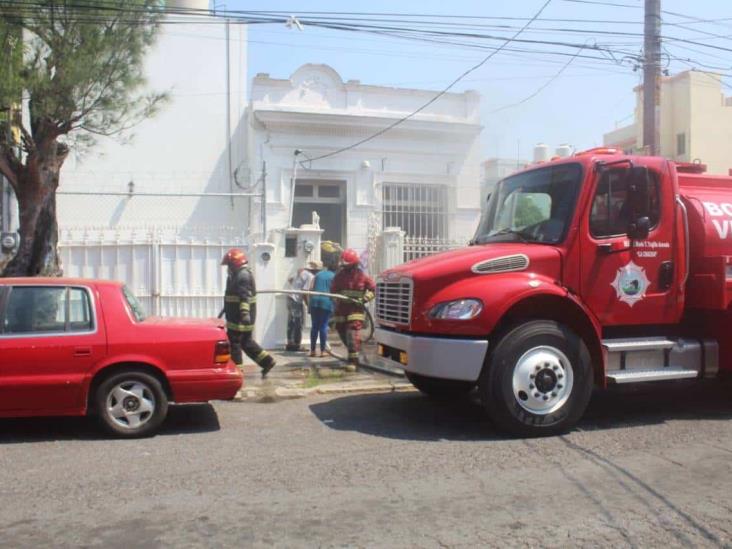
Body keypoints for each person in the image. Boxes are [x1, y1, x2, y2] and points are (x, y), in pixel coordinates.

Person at [221, 248, 275, 378]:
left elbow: (244, 296)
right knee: (246, 342)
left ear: (234, 264)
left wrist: (244, 313)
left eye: (229, 265)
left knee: (234, 343)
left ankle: (237, 372)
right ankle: (267, 361)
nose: (227, 268)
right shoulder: (237, 275)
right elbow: (234, 295)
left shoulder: (242, 276)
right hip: (237, 316)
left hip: (240, 318)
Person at [331, 248, 375, 372]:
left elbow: (373, 289)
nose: (345, 267)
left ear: (353, 264)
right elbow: (333, 291)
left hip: (356, 310)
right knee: (342, 332)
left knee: (351, 334)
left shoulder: (362, 276)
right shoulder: (339, 276)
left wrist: (365, 298)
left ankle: (353, 362)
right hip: (341, 310)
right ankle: (355, 350)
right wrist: (335, 300)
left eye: (347, 265)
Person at [285, 263, 316, 351]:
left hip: (290, 297)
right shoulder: (310, 276)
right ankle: (296, 344)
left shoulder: (300, 272)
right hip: (295, 300)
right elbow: (304, 291)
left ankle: (290, 343)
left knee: (291, 321)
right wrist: (308, 304)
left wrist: (295, 286)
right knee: (298, 322)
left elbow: (290, 279)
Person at [307, 261, 335, 357]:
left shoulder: (318, 275)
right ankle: (323, 351)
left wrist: (309, 304)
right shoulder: (334, 276)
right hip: (326, 301)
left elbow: (310, 288)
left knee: (314, 326)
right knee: (323, 326)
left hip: (314, 300)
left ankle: (313, 351)